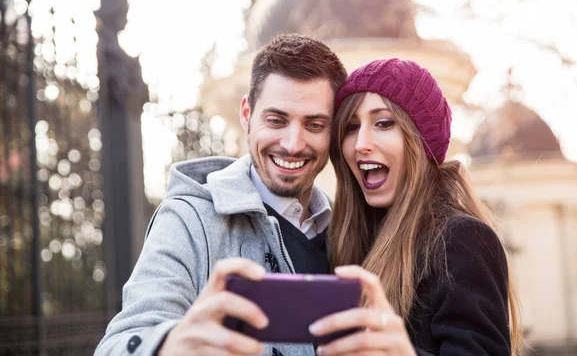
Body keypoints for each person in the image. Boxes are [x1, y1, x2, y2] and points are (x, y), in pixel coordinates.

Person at [94, 33, 347, 356]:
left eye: (314, 125)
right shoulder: (189, 219)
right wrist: (173, 345)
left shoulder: (347, 229)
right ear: (246, 115)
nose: (293, 143)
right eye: (276, 120)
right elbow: (117, 346)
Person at [308, 59, 521, 355]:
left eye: (383, 123)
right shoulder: (347, 242)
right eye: (351, 127)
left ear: (422, 141)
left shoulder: (461, 240)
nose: (360, 144)